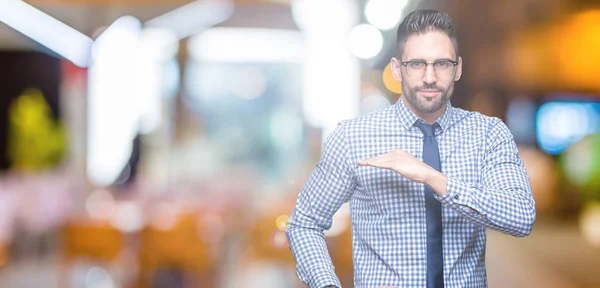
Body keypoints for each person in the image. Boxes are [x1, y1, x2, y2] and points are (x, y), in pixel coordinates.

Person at [286, 9, 536, 288]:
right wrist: (327, 285)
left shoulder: (488, 134)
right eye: (417, 64)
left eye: (442, 64)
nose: (429, 77)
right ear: (397, 68)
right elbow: (304, 223)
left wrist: (434, 179)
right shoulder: (353, 137)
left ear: (458, 68)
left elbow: (521, 217)